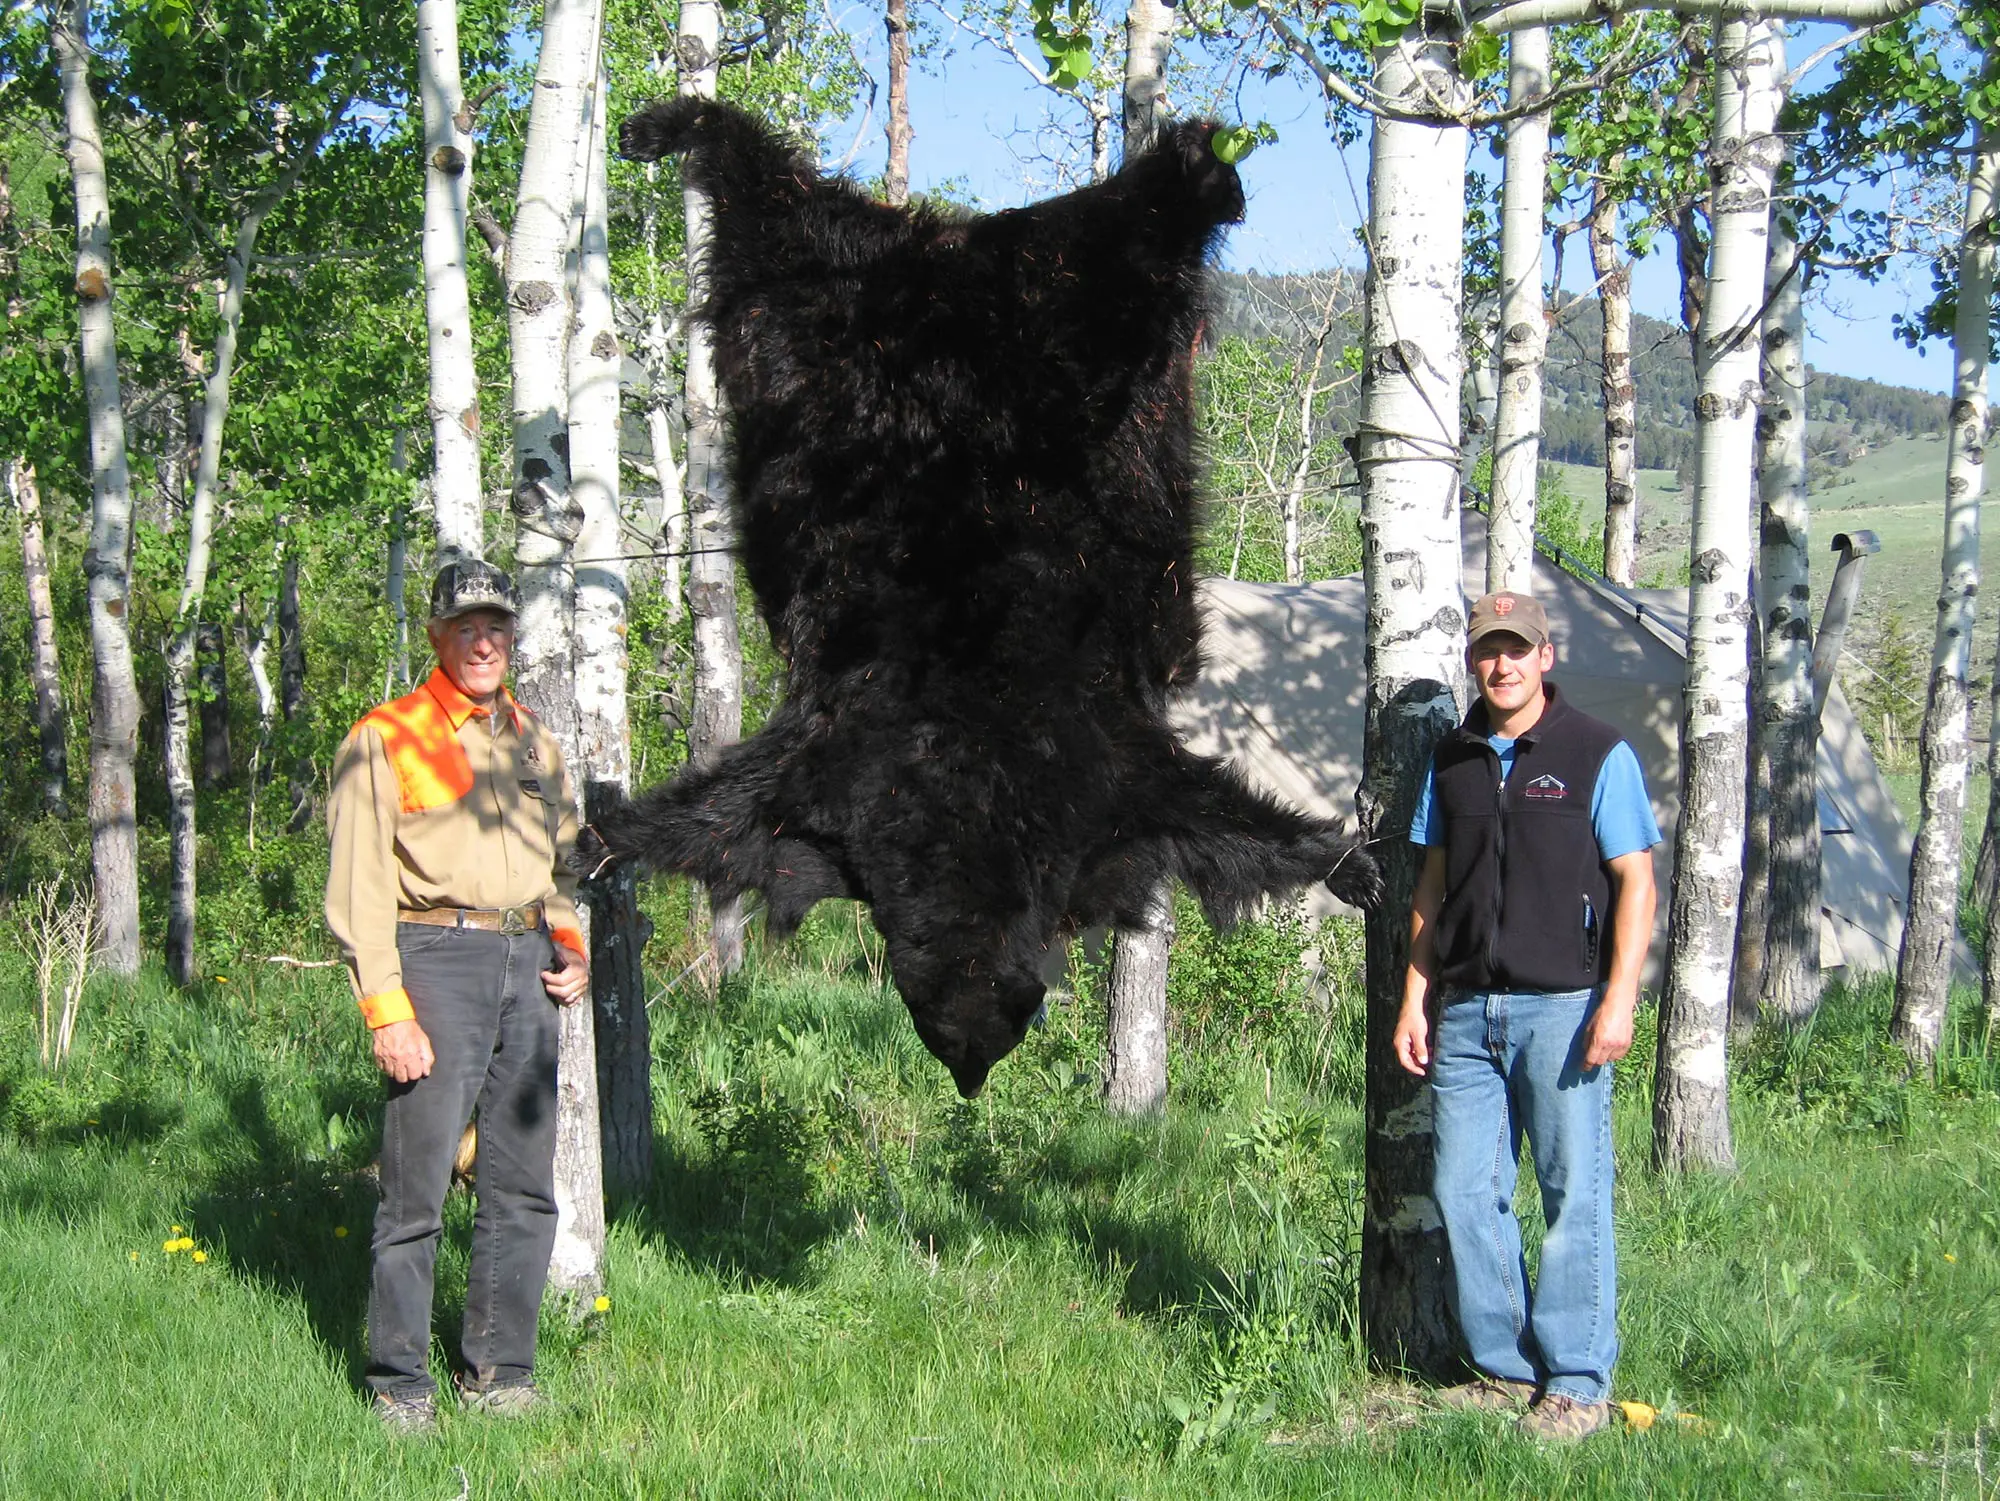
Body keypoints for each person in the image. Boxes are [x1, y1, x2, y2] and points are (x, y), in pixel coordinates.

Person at [325, 560, 591, 1436]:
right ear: (438, 636)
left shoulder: (532, 740)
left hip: (528, 963)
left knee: (522, 1185)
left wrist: (570, 942)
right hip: (434, 956)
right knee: (418, 1186)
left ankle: (502, 1372)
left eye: (498, 627)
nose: (484, 641)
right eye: (467, 626)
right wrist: (387, 1008)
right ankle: (399, 1383)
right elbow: (359, 887)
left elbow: (561, 864)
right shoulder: (386, 735)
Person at [1393, 590, 1660, 1442]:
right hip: (1466, 1012)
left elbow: (1636, 883)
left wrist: (1618, 999)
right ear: (1472, 660)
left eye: (1517, 649)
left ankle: (1577, 1379)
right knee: (1463, 1190)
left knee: (1572, 1193)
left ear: (1547, 656)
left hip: (1564, 1011)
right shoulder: (1455, 757)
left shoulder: (1597, 752)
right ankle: (1509, 1372)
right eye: (1486, 650)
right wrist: (1414, 995)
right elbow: (1431, 888)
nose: (1500, 664)